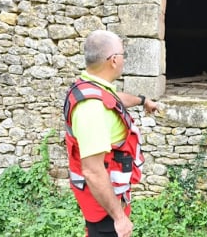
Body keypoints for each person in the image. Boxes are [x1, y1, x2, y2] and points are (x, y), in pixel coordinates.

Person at [63, 30, 159, 237]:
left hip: (107, 200)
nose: (124, 60)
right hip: (104, 211)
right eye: (123, 55)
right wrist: (119, 218)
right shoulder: (91, 110)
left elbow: (114, 98)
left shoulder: (90, 86)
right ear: (113, 60)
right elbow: (93, 171)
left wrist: (143, 101)